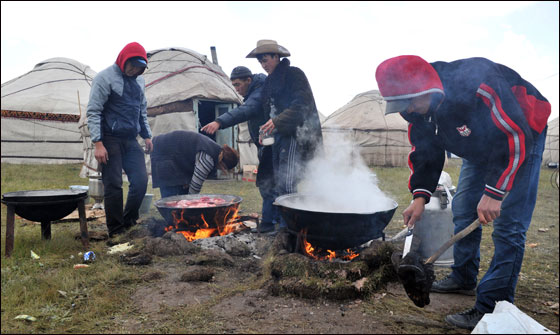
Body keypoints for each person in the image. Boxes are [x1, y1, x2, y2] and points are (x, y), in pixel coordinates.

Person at [375, 55, 550, 330]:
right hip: (479, 147)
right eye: (400, 104)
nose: (407, 109)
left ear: (427, 88)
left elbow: (514, 135)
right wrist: (420, 197)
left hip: (523, 134)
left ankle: (492, 308)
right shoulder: (416, 109)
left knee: (508, 226)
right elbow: (425, 151)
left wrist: (495, 191)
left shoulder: (476, 83)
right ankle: (464, 277)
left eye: (410, 101)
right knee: (464, 207)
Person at [247, 39, 323, 231]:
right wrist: (263, 130)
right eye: (261, 62)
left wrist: (278, 121)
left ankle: (291, 229)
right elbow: (267, 112)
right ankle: (284, 225)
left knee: (287, 183)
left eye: (266, 60)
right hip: (277, 139)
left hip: (296, 136)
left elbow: (302, 105)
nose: (264, 65)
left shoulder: (293, 74)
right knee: (278, 182)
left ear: (276, 56)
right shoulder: (268, 83)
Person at [201, 66, 279, 233]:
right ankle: (276, 221)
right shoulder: (256, 91)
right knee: (272, 184)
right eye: (234, 86)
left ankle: (268, 225)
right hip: (267, 145)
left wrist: (219, 122)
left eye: (238, 85)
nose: (236, 89)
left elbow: (247, 110)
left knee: (267, 184)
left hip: (273, 147)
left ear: (248, 80)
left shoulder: (259, 92)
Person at [87, 42, 153, 238]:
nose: (134, 70)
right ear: (123, 60)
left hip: (131, 138)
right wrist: (98, 143)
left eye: (139, 68)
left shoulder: (139, 82)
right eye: (132, 65)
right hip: (109, 138)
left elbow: (141, 110)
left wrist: (147, 135)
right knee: (114, 184)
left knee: (141, 180)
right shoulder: (104, 78)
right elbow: (94, 111)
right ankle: (115, 230)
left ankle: (128, 221)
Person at [150, 130, 239, 198]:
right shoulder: (208, 157)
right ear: (223, 165)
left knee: (182, 195)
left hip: (174, 156)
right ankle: (171, 219)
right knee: (171, 199)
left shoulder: (214, 150)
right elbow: (195, 187)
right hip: (164, 153)